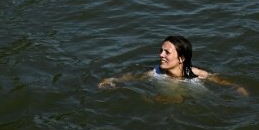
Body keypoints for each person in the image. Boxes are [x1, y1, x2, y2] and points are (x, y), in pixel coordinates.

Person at [98, 35, 248, 96]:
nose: (161, 55)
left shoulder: (195, 73)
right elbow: (134, 77)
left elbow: (219, 80)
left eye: (166, 52)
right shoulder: (156, 72)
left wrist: (237, 87)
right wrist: (113, 80)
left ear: (181, 58)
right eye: (161, 51)